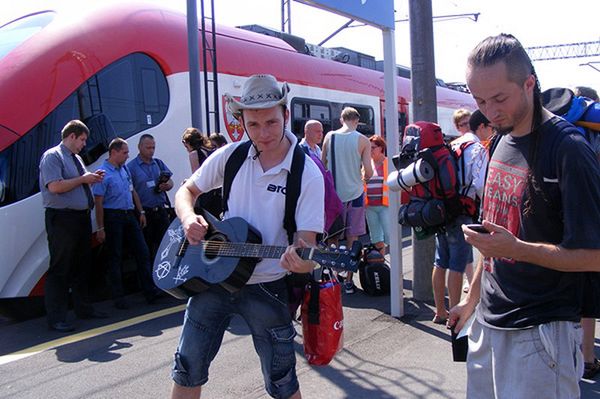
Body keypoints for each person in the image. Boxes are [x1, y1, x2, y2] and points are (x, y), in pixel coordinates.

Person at [449, 33, 600, 398]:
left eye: (499, 98)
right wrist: (470, 301)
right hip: (488, 319)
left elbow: (594, 256)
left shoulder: (569, 150)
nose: (490, 111)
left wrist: (517, 248)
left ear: (529, 83)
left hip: (541, 331)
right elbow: (494, 234)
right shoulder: (499, 139)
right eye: (480, 100)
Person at [170, 74, 324, 399]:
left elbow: (307, 249)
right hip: (213, 279)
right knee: (187, 367)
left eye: (271, 121)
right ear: (241, 121)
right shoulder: (233, 155)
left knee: (283, 383)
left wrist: (300, 261)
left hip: (267, 287)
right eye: (253, 125)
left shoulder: (306, 173)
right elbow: (187, 190)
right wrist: (188, 218)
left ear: (285, 112)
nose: (263, 133)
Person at [39, 120, 108, 332]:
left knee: (82, 265)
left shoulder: (75, 158)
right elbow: (55, 186)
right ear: (72, 136)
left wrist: (90, 179)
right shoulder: (53, 156)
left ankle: (83, 308)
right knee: (61, 268)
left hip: (79, 219)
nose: (84, 145)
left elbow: (79, 181)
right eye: (83, 140)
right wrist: (83, 179)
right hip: (62, 219)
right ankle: (56, 317)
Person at [93, 138, 160, 309]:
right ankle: (119, 298)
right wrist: (100, 227)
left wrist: (141, 211)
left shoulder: (124, 169)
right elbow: (98, 203)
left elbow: (132, 191)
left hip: (129, 214)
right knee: (115, 256)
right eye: (124, 152)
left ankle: (149, 291)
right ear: (113, 152)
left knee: (142, 251)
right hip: (112, 216)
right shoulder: (102, 173)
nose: (127, 156)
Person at [431, 122, 488, 324]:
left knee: (440, 261)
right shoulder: (477, 148)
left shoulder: (452, 145)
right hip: (463, 211)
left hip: (442, 209)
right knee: (457, 263)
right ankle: (454, 314)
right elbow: (480, 183)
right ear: (482, 127)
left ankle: (440, 311)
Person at [322, 107, 373, 294]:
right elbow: (369, 171)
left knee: (332, 237)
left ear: (341, 120)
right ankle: (349, 281)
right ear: (357, 120)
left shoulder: (330, 137)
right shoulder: (363, 140)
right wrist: (361, 178)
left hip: (334, 196)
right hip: (356, 194)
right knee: (353, 237)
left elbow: (323, 164)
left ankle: (334, 275)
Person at [572, 85, 600, 379]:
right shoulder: (596, 132)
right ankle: (588, 358)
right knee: (589, 290)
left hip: (565, 218)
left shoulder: (564, 131)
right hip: (594, 218)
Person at [127, 134, 174, 260]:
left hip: (160, 211)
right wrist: (140, 212)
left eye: (153, 147)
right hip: (144, 213)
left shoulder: (158, 163)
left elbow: (171, 182)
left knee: (166, 246)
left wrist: (167, 186)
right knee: (146, 249)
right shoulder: (131, 167)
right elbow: (130, 191)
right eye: (148, 148)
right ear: (139, 147)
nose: (151, 151)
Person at [181, 128, 223, 217]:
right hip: (218, 191)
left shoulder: (193, 154)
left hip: (206, 193)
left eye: (186, 146)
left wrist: (187, 182)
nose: (187, 149)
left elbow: (197, 176)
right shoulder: (211, 151)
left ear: (189, 143)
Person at [364, 135, 389, 256]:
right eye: (369, 148)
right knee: (376, 239)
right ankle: (381, 265)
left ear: (381, 148)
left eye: (373, 147)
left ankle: (395, 269)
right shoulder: (366, 165)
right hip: (370, 207)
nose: (370, 151)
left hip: (385, 206)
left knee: (390, 237)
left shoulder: (389, 164)